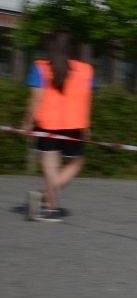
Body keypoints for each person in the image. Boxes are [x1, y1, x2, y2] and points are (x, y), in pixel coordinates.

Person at [20, 30, 94, 222]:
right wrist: (87, 126)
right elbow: (87, 100)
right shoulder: (86, 70)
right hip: (74, 125)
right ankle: (47, 201)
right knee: (75, 164)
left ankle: (50, 205)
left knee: (49, 167)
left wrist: (27, 122)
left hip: (46, 124)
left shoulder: (40, 67)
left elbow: (36, 99)